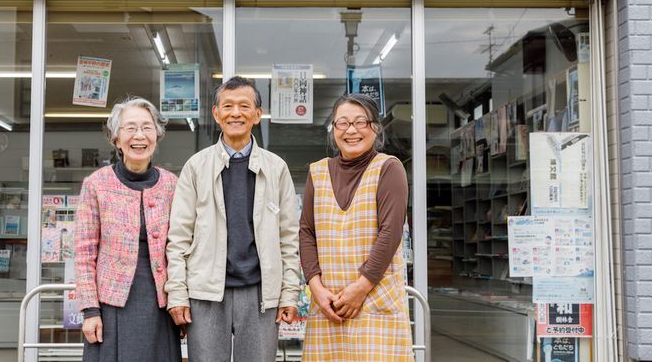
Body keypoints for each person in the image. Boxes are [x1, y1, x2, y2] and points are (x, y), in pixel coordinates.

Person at [165, 76, 300, 362]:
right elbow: (178, 238)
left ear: (257, 114)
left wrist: (289, 292)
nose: (235, 113)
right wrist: (177, 293)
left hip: (260, 293)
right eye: (227, 106)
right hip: (206, 293)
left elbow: (289, 238)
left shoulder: (276, 168)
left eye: (244, 106)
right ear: (216, 113)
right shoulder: (196, 167)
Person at [299, 93, 413, 361]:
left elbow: (391, 232)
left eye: (360, 122)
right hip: (329, 304)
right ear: (333, 130)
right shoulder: (317, 172)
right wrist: (315, 287)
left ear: (375, 127)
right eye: (343, 123)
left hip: (374, 299)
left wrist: (361, 288)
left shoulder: (388, 168)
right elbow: (306, 232)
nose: (351, 130)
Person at [75, 97, 182, 362]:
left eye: (147, 127)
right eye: (130, 128)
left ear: (157, 135)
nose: (139, 136)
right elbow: (84, 253)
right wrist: (90, 310)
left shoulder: (172, 185)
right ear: (115, 137)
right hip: (111, 306)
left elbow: (183, 247)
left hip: (160, 303)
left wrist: (182, 299)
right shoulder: (96, 184)